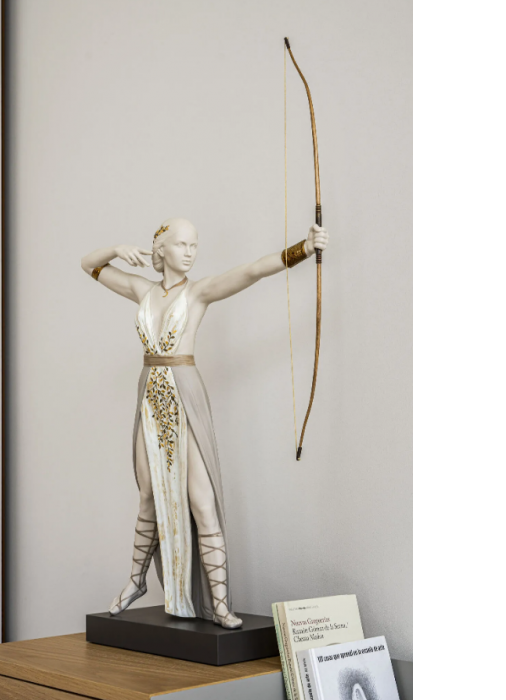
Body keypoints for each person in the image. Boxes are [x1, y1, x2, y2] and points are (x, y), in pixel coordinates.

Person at [80, 217, 329, 628]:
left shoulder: (198, 292)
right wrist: (115, 250)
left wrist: (304, 248)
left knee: (201, 500)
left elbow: (251, 271)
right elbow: (89, 264)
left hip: (184, 391)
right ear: (161, 250)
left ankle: (220, 604)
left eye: (194, 245)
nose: (190, 252)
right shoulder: (142, 290)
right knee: (148, 493)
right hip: (150, 394)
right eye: (182, 244)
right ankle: (136, 581)